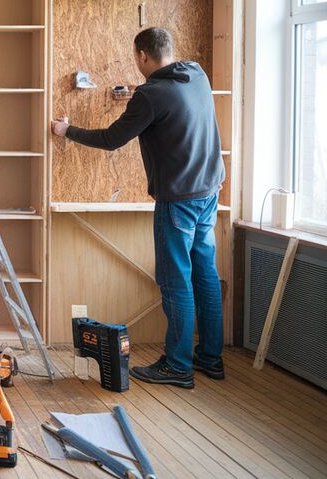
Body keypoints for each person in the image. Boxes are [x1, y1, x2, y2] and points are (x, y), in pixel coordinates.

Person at [51, 27, 225, 388]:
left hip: (178, 200)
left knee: (175, 282)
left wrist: (66, 130)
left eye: (135, 57)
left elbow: (112, 139)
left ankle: (178, 367)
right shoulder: (196, 73)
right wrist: (138, 98)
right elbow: (171, 109)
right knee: (204, 274)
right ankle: (210, 358)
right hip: (210, 191)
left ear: (143, 56)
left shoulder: (149, 96)